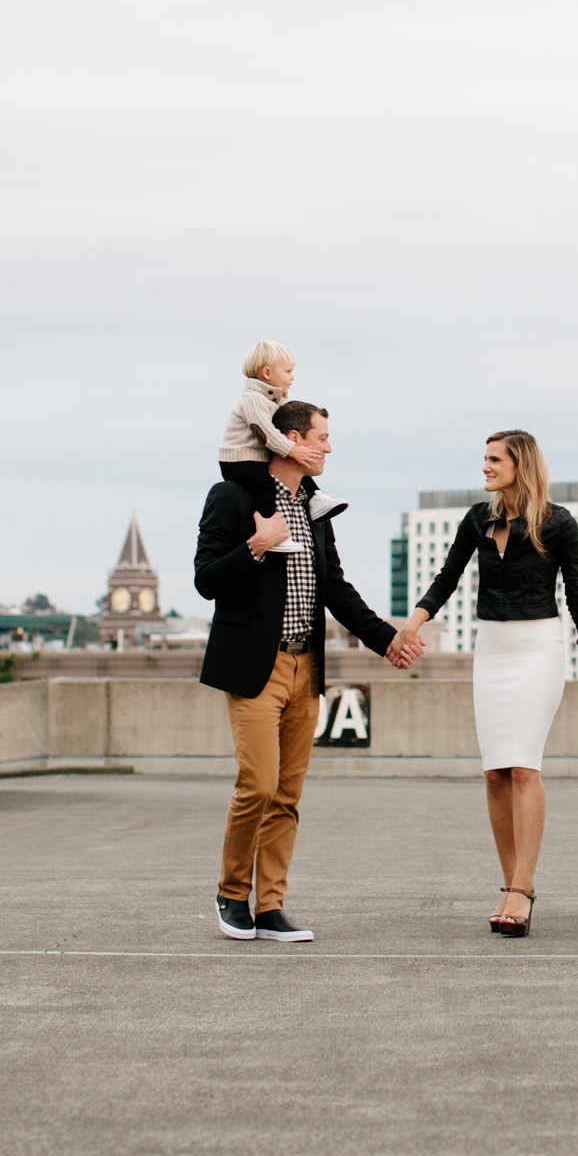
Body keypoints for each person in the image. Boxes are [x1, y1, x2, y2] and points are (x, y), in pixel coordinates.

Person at [195, 399, 419, 942]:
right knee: (259, 785)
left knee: (288, 795)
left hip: (306, 666)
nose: (328, 447)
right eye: (321, 436)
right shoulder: (233, 497)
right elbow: (205, 579)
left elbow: (335, 588)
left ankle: (270, 907)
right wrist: (255, 546)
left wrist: (387, 640)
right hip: (257, 665)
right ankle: (231, 896)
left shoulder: (316, 506)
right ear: (289, 439)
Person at [390, 430, 578, 936]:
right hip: (493, 650)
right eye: (483, 459)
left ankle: (522, 889)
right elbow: (446, 578)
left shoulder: (558, 522)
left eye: (493, 459)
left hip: (538, 649)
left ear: (520, 464)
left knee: (524, 768)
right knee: (494, 774)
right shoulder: (477, 519)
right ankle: (510, 883)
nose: (484, 467)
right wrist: (409, 628)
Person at [217, 340, 347, 534]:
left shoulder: (273, 399)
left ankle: (316, 497)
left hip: (257, 457)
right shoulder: (252, 399)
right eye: (287, 372)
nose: (292, 377)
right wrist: (292, 450)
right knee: (266, 485)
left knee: (300, 470)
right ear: (267, 373)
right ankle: (269, 527)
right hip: (239, 461)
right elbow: (265, 433)